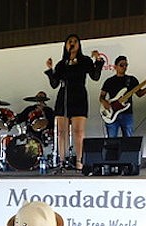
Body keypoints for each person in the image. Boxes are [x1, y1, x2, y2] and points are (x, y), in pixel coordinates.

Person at [45, 34, 104, 171]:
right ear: (65, 45)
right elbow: (55, 84)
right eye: (69, 41)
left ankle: (79, 160)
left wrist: (98, 60)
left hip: (78, 96)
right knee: (61, 131)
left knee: (78, 131)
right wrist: (50, 70)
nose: (72, 43)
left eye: (75, 41)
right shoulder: (61, 64)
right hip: (63, 96)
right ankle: (61, 161)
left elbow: (95, 76)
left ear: (79, 44)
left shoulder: (85, 61)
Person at [99, 55, 146, 138]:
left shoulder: (132, 80)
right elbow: (101, 97)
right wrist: (105, 102)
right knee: (111, 141)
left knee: (128, 142)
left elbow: (139, 94)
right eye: (121, 65)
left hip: (127, 113)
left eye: (126, 65)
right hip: (111, 113)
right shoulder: (109, 81)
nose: (124, 67)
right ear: (115, 67)